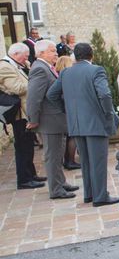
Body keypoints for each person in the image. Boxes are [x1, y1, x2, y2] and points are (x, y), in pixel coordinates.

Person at [47, 43, 119, 206]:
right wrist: (108, 114)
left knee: (86, 162)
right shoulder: (96, 70)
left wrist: (68, 111)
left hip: (76, 124)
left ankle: (89, 194)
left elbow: (52, 95)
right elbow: (105, 94)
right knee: (98, 162)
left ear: (75, 56)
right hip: (96, 123)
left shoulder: (65, 72)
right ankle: (100, 196)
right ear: (91, 55)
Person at [26, 40, 78, 199]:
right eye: (52, 51)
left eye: (55, 50)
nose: (56, 53)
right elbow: (34, 98)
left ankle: (61, 182)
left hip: (56, 120)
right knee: (52, 156)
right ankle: (56, 190)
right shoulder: (40, 69)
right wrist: (33, 119)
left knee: (58, 154)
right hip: (49, 121)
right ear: (41, 53)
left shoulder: (47, 67)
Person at [0, 43, 46, 189]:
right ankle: (24, 179)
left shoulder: (20, 64)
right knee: (22, 146)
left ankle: (31, 174)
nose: (27, 58)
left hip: (26, 111)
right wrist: (36, 81)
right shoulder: (5, 67)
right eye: (25, 56)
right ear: (15, 54)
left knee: (28, 145)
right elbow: (17, 88)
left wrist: (28, 68)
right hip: (19, 114)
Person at [55, 55, 80, 169]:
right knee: (72, 136)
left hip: (63, 110)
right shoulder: (64, 77)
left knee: (69, 136)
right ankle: (70, 161)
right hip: (67, 110)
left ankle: (69, 160)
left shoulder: (58, 75)